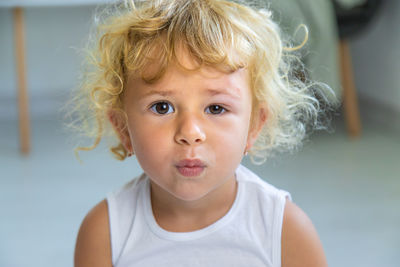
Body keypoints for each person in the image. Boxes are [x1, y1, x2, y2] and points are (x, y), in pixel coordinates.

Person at [70, 0, 335, 266]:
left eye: (216, 108)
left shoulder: (284, 230)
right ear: (123, 128)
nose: (190, 133)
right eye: (162, 107)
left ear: (254, 126)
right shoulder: (105, 233)